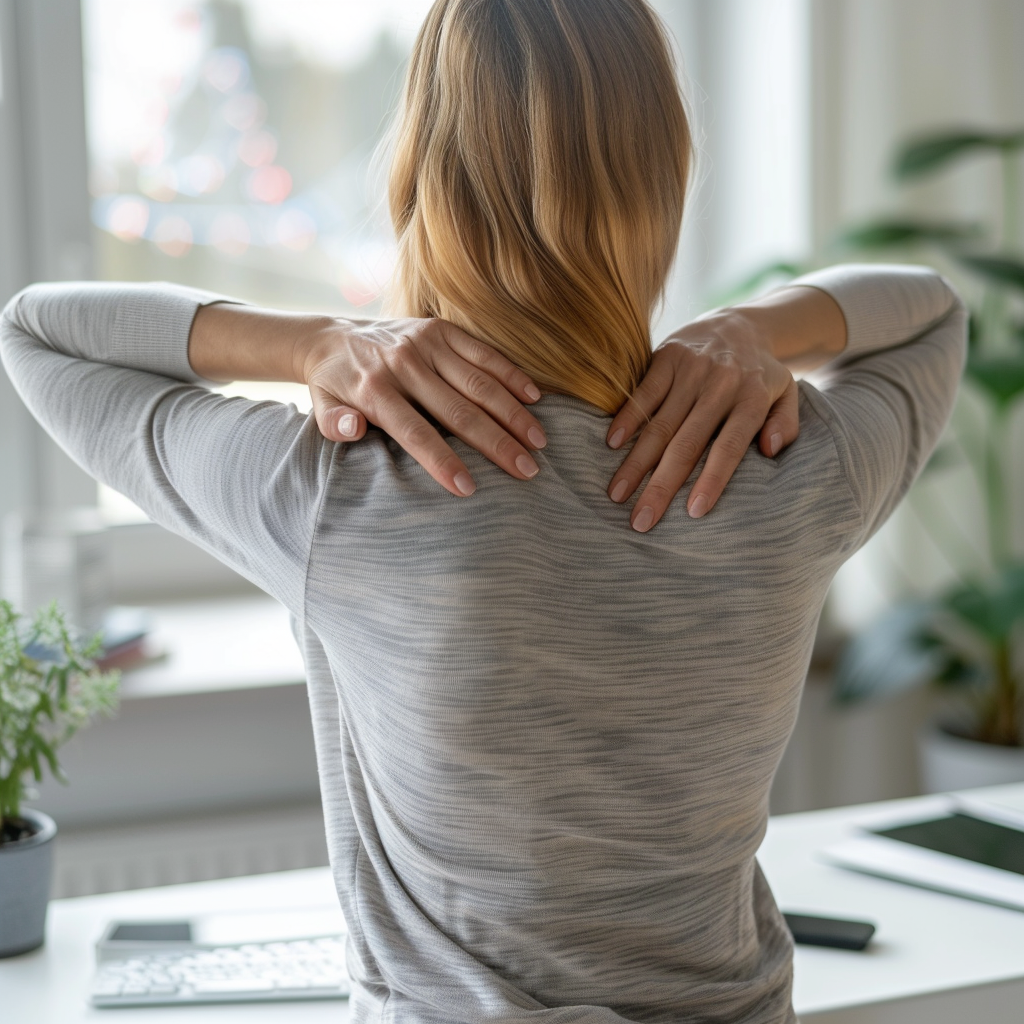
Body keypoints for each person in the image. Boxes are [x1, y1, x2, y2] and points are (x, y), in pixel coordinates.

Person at [1, 1, 966, 1021]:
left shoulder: (348, 486)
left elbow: (41, 334)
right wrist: (754, 328)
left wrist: (314, 344)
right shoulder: (781, 463)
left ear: (420, 177)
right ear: (666, 175)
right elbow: (929, 314)